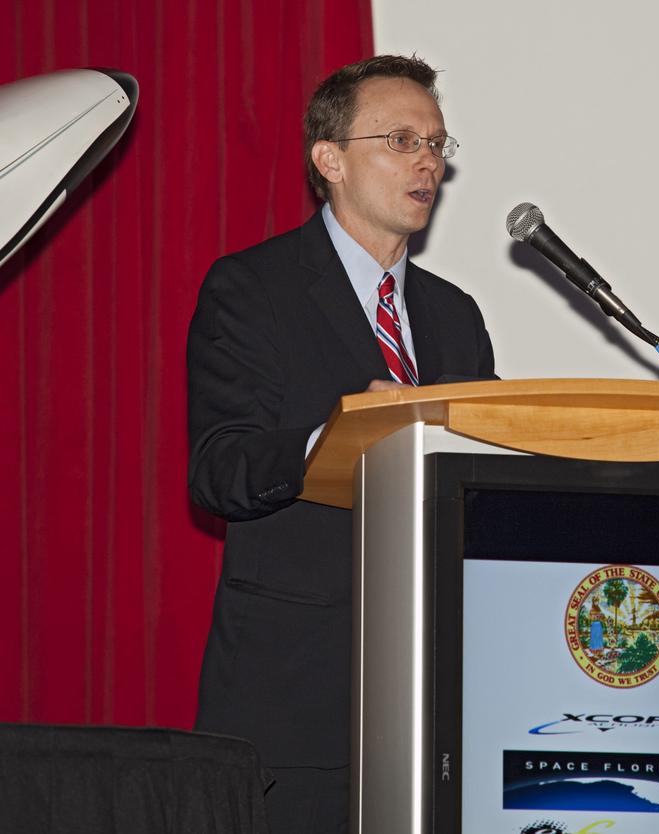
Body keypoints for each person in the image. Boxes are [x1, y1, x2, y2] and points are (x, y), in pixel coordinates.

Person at [187, 54, 494, 833]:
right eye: (402, 140)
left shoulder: (456, 316)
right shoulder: (252, 288)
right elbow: (221, 469)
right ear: (329, 159)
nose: (428, 161)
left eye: (437, 144)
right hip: (297, 695)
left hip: (437, 700)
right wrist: (340, 433)